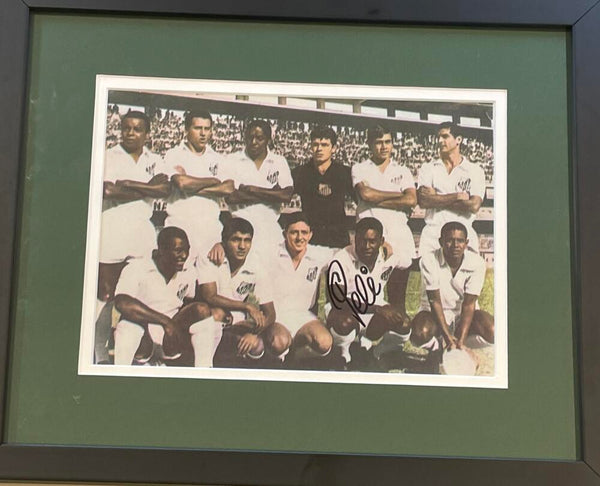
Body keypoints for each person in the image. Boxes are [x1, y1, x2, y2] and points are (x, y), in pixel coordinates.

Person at [95, 111, 170, 363]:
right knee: (105, 295)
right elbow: (106, 190)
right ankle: (100, 354)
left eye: (137, 129)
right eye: (126, 128)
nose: (130, 133)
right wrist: (146, 186)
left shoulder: (155, 159)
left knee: (141, 293)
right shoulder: (109, 155)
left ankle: (146, 347)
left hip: (141, 232)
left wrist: (127, 184)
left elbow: (164, 189)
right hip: (112, 228)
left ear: (147, 133)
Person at [112, 227, 223, 367]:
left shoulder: (187, 272)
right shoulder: (137, 267)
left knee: (202, 310)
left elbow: (192, 302)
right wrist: (165, 321)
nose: (184, 256)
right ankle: (121, 375)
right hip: (143, 336)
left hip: (170, 339)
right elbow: (122, 303)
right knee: (128, 326)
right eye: (178, 251)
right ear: (161, 251)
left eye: (186, 250)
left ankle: (204, 370)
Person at [197, 218, 291, 367]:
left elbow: (270, 312)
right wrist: (246, 306)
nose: (242, 246)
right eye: (236, 240)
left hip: (240, 322)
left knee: (279, 339)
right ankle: (207, 366)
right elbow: (209, 296)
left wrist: (254, 334)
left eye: (247, 240)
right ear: (224, 241)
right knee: (215, 315)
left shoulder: (256, 265)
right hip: (216, 318)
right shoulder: (211, 256)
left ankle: (267, 368)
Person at [326, 217, 412, 368]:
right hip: (346, 310)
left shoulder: (388, 256)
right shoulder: (341, 259)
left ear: (381, 241)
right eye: (362, 240)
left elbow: (408, 263)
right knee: (344, 323)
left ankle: (378, 352)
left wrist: (395, 305)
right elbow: (338, 300)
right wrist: (377, 309)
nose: (366, 246)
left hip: (375, 309)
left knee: (404, 323)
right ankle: (343, 353)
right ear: (354, 239)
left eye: (372, 241)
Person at [163, 110, 234, 265]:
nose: (203, 133)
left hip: (210, 235)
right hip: (180, 233)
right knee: (180, 286)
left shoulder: (217, 158)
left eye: (207, 129)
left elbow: (228, 188)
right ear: (186, 129)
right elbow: (181, 183)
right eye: (197, 128)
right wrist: (213, 180)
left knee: (210, 287)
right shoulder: (173, 154)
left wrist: (192, 186)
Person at [415, 221, 494, 351]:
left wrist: (461, 341)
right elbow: (435, 301)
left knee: (493, 331)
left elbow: (469, 304)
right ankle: (438, 350)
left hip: (462, 314)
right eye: (450, 240)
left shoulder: (477, 262)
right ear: (441, 241)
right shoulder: (428, 259)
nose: (455, 245)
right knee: (420, 333)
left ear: (466, 243)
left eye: (460, 241)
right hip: (433, 313)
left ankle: (461, 349)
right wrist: (447, 338)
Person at [269, 212, 333, 369]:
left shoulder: (319, 254)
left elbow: (347, 253)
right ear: (285, 234)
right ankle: (274, 358)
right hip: (276, 316)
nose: (299, 238)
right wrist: (219, 246)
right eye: (294, 232)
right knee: (278, 343)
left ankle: (295, 355)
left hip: (304, 316)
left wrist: (382, 246)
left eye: (304, 232)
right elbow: (243, 251)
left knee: (324, 343)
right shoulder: (270, 253)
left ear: (310, 235)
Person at [223, 120, 293, 261]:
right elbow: (231, 197)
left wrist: (251, 189)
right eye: (250, 137)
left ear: (268, 139)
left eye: (259, 138)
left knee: (268, 277)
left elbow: (286, 195)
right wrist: (271, 193)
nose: (254, 142)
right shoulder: (232, 159)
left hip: (269, 230)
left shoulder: (279, 161)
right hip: (240, 230)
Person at [417, 122, 485, 255]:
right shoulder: (428, 168)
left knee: (466, 275)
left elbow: (474, 205)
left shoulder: (474, 170)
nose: (440, 141)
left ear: (458, 139)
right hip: (433, 233)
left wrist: (436, 198)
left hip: (463, 233)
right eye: (438, 137)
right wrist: (457, 196)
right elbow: (424, 201)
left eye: (445, 136)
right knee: (430, 275)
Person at [352, 124, 417, 263]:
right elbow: (366, 195)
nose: (384, 147)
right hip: (369, 235)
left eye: (388, 142)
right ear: (369, 144)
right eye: (379, 142)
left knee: (398, 282)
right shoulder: (359, 168)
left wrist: (374, 199)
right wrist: (399, 195)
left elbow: (411, 200)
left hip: (398, 233)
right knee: (367, 283)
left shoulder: (402, 170)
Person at [292, 126, 354, 253]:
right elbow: (280, 196)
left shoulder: (345, 173)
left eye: (325, 145)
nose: (319, 149)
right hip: (310, 241)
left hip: (338, 240)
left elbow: (361, 201)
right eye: (315, 144)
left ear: (334, 148)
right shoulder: (300, 173)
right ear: (310, 146)